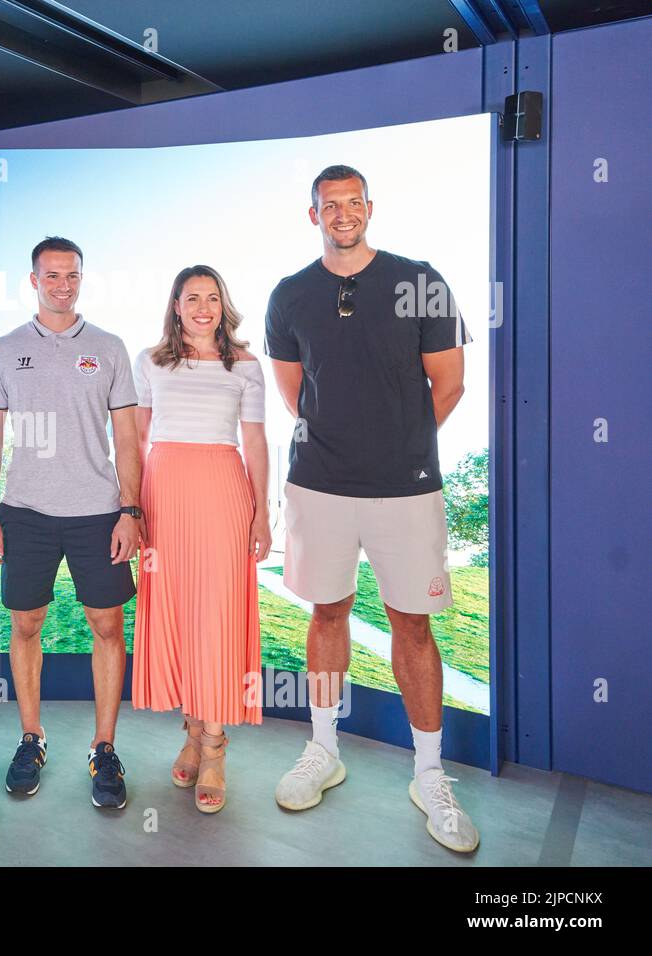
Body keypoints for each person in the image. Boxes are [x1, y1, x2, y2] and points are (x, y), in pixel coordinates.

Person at [264, 164, 478, 852]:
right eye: (331, 204)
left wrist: (396, 446)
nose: (343, 213)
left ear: (370, 208)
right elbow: (297, 395)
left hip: (406, 488)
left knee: (412, 626)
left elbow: (449, 384)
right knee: (327, 613)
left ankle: (429, 774)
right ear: (314, 215)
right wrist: (347, 445)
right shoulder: (291, 294)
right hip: (319, 485)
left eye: (354, 202)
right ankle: (324, 751)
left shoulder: (420, 279)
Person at [0, 237, 142, 810]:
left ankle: (104, 747)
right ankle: (32, 738)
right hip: (26, 512)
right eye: (52, 276)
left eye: (72, 275)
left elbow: (127, 437)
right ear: (34, 281)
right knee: (27, 624)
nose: (63, 284)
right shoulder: (4, 349)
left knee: (107, 628)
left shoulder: (109, 347)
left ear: (81, 278)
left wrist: (130, 509)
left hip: (98, 512)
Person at [131, 265, 271, 813]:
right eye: (193, 298)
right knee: (178, 615)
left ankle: (213, 746)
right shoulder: (151, 362)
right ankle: (193, 730)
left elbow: (255, 441)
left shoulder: (246, 366)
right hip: (164, 496)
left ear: (223, 304)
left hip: (222, 495)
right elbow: (140, 437)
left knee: (215, 616)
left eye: (213, 297)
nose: (204, 307)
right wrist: (134, 509)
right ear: (176, 305)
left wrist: (262, 515)